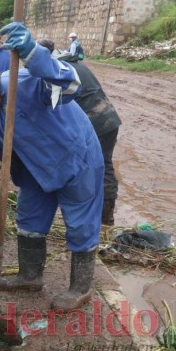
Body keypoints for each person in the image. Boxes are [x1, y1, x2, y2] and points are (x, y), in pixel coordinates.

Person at [0, 22, 104, 312]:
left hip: (76, 159)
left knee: (79, 224)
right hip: (36, 172)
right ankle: (30, 275)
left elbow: (72, 84)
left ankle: (80, 288)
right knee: (29, 221)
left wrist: (33, 54)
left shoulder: (20, 84)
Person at [38, 38, 122, 226]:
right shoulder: (73, 62)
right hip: (110, 119)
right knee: (105, 165)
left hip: (95, 123)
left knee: (89, 167)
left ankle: (94, 218)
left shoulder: (58, 70)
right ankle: (105, 218)